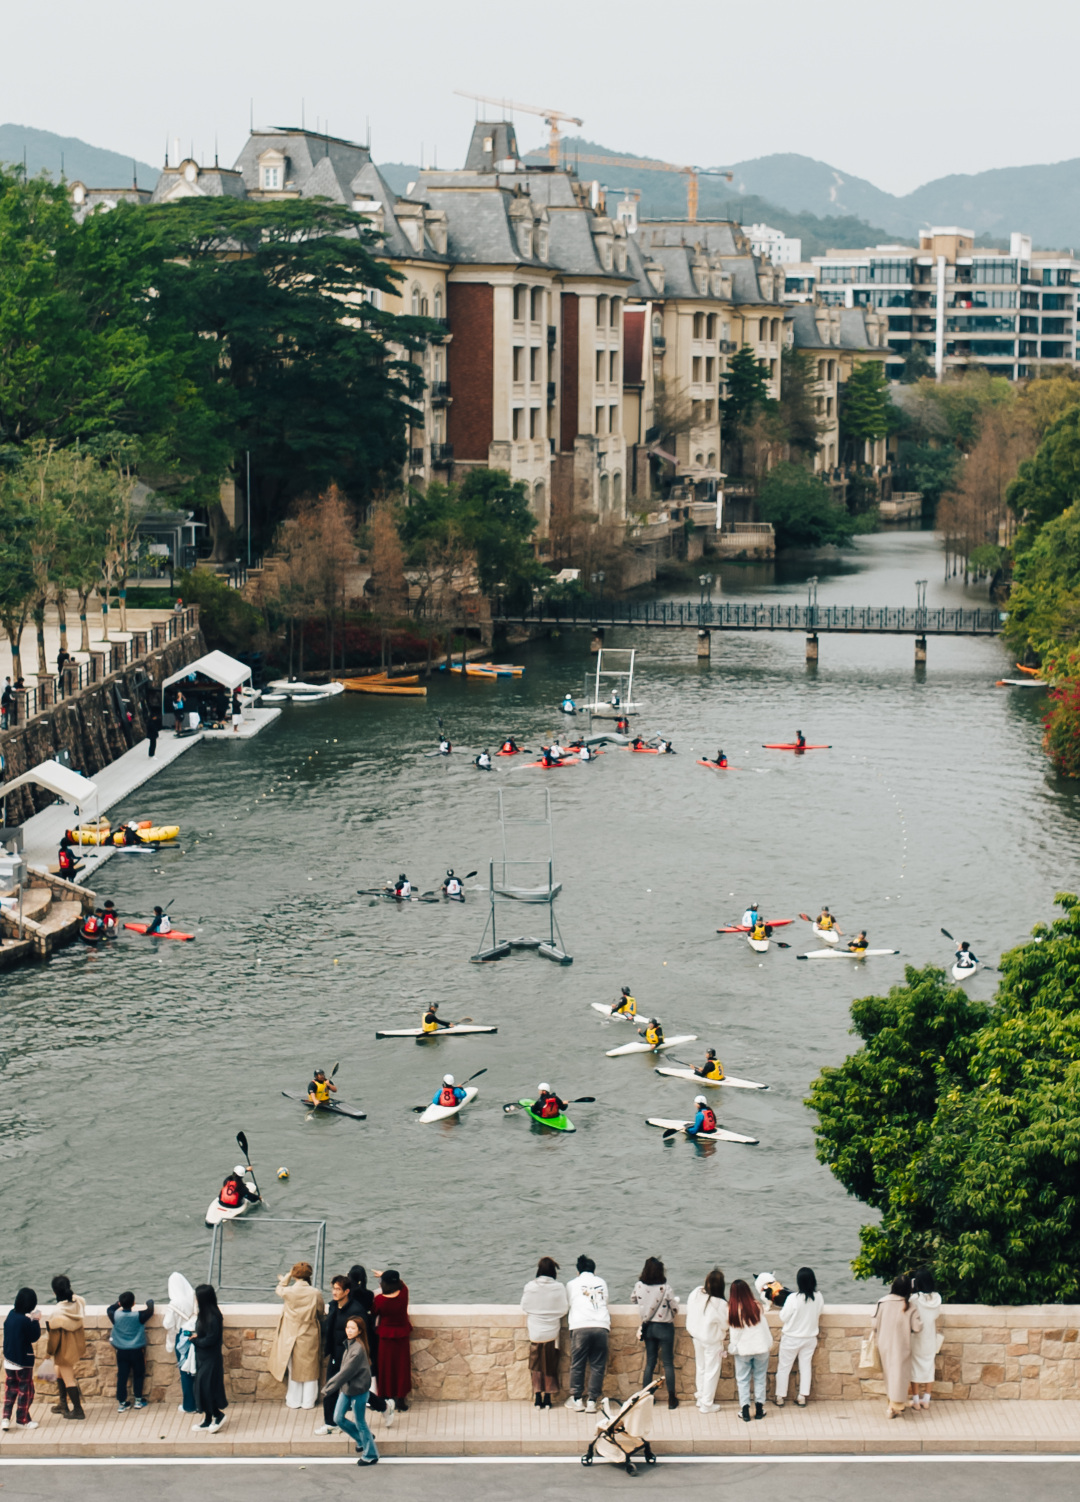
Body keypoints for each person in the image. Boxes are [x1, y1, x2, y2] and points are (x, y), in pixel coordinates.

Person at [316, 1276, 370, 1435]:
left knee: (356, 1388)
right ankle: (330, 1423)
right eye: (333, 1288)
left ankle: (384, 1407)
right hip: (335, 1355)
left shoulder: (356, 1310)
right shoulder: (333, 1306)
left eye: (338, 1289)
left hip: (351, 1356)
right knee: (332, 1387)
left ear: (347, 1291)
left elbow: (364, 1334)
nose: (334, 1292)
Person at [322, 1316, 379, 1466]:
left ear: (359, 1331)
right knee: (338, 1418)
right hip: (347, 1388)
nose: (349, 1331)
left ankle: (371, 1454)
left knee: (360, 1422)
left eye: (353, 1328)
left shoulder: (357, 1350)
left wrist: (328, 1388)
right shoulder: (350, 1344)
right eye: (348, 1327)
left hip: (358, 1390)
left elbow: (345, 1372)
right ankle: (362, 1439)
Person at [269, 1262, 325, 1409]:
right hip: (308, 1333)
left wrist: (287, 1277)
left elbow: (279, 1288)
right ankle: (308, 1401)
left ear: (295, 1275)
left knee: (293, 1369)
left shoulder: (288, 1292)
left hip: (290, 1334)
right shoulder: (315, 1293)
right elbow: (320, 1312)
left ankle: (293, 1401)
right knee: (310, 1369)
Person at [872, 1274, 923, 1418]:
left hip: (884, 1343)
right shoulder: (910, 1306)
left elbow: (874, 1324)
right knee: (899, 1375)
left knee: (889, 1374)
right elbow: (917, 1327)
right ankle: (894, 1406)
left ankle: (892, 1404)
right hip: (901, 1344)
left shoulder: (882, 1302)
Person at [564, 1255, 610, 1414]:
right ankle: (592, 1401)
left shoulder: (571, 1284)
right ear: (593, 1270)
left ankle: (577, 1399)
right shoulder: (602, 1282)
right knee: (598, 1365)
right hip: (601, 1326)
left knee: (578, 1364)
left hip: (580, 1326)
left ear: (578, 1270)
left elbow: (568, 1304)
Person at [632, 1258, 679, 1408]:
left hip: (648, 1328)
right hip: (665, 1328)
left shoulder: (639, 1286)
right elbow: (675, 1308)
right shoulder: (665, 1288)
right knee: (668, 1363)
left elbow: (633, 1299)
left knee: (650, 1363)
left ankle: (646, 1397)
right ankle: (672, 1399)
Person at [521, 1257, 568, 1408]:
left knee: (536, 1365)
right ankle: (548, 1397)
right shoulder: (559, 1287)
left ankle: (537, 1397)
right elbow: (563, 1309)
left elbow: (525, 1306)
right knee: (549, 1364)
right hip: (551, 1333)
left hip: (535, 1332)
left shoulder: (530, 1286)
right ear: (553, 1272)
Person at [774, 1267, 824, 1408]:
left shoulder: (793, 1298)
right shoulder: (818, 1297)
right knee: (805, 1367)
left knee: (784, 1367)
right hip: (809, 1338)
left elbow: (783, 1317)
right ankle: (802, 1396)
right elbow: (819, 1312)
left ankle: (780, 1397)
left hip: (791, 1338)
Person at [727, 1278, 771, 1422]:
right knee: (759, 1377)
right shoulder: (757, 1306)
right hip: (761, 1348)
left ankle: (745, 1410)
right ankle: (759, 1409)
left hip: (743, 1350)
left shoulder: (732, 1311)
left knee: (743, 1380)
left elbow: (734, 1334)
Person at [686, 1268, 728, 1414]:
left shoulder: (696, 1293)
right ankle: (707, 1404)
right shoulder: (720, 1304)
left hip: (697, 1337)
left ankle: (701, 1397)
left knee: (701, 1367)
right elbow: (725, 1324)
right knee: (712, 1371)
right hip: (712, 1341)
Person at [46, 1275, 87, 1420]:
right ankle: (62, 1404)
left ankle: (78, 1410)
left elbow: (54, 1339)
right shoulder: (79, 1302)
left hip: (64, 1350)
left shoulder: (57, 1313)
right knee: (58, 1372)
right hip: (76, 1345)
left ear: (54, 1293)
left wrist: (49, 1352)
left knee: (69, 1379)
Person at [373, 1270, 412, 1416]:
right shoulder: (403, 1295)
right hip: (402, 1337)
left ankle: (387, 1397)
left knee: (386, 1368)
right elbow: (403, 1285)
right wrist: (386, 1274)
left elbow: (374, 1312)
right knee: (401, 1368)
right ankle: (401, 1400)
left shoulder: (380, 1300)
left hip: (386, 1338)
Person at [107, 1290, 155, 1411]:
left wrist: (118, 1304)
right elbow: (150, 1309)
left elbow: (110, 1309)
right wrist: (149, 1302)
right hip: (137, 1351)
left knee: (122, 1376)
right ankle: (138, 1400)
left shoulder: (115, 1315)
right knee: (138, 1375)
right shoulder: (138, 1316)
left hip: (121, 1351)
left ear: (121, 1303)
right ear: (133, 1303)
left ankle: (122, 1403)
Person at [2, 1288, 41, 1431]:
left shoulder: (11, 1315)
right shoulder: (25, 1321)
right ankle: (22, 1420)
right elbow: (34, 1336)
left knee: (11, 1390)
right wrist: (35, 1320)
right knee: (26, 1392)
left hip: (9, 1360)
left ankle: (5, 1418)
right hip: (23, 1362)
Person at [191, 1283, 228, 1431]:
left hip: (211, 1358)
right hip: (203, 1357)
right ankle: (207, 1418)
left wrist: (195, 1340)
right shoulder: (205, 1314)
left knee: (207, 1387)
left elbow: (211, 1339)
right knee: (201, 1387)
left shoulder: (213, 1317)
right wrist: (198, 1336)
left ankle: (218, 1415)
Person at [162, 1272, 198, 1415]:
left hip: (182, 1340)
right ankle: (202, 1403)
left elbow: (167, 1324)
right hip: (196, 1336)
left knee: (185, 1371)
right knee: (198, 1370)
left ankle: (189, 1405)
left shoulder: (174, 1304)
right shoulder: (194, 1296)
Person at [909, 1267, 942, 1409]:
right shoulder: (937, 1298)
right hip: (930, 1338)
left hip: (917, 1338)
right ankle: (926, 1399)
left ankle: (916, 1401)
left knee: (914, 1368)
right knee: (929, 1367)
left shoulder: (915, 1299)